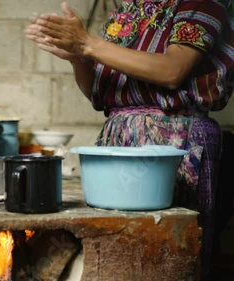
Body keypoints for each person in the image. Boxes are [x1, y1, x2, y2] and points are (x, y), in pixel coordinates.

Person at [25, 0, 234, 279]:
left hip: (170, 139)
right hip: (116, 135)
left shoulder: (201, 4)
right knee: (110, 243)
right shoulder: (130, 10)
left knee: (161, 249)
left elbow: (173, 71)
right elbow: (98, 93)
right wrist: (77, 57)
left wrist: (87, 43)